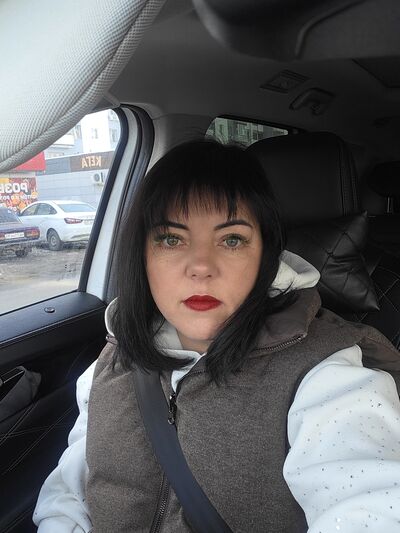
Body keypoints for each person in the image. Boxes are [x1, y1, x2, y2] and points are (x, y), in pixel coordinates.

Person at [33, 141, 400, 533]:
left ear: (266, 255)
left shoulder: (327, 378)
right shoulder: (108, 366)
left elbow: (373, 501)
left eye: (232, 239)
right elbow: (69, 498)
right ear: (142, 255)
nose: (201, 267)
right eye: (171, 239)